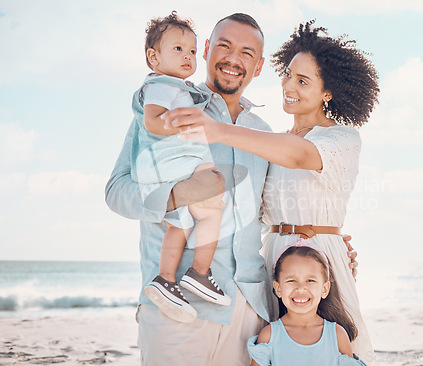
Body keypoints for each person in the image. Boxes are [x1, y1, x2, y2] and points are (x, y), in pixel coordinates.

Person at [106, 14, 357, 365]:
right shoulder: (169, 112)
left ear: (258, 67)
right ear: (206, 50)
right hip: (179, 305)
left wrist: (323, 243)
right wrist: (180, 195)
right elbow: (116, 191)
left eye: (246, 52)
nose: (233, 58)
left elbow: (272, 212)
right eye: (224, 45)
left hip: (250, 309)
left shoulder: (264, 132)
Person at [163, 20, 378, 358]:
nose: (289, 85)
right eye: (289, 74)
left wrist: (217, 130)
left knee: (328, 352)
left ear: (328, 93)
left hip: (320, 262)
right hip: (275, 263)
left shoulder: (342, 138)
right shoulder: (272, 141)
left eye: (303, 81)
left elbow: (300, 156)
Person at [132, 12, 230, 324]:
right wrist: (186, 126)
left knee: (181, 223)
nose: (187, 57)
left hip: (177, 167)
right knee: (213, 212)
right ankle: (199, 273)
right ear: (154, 56)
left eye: (190, 51)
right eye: (177, 50)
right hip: (180, 165)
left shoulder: (175, 86)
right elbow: (152, 121)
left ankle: (165, 278)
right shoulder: (163, 85)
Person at [248, 239, 367, 365]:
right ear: (278, 288)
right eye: (291, 281)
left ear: (325, 289)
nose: (300, 288)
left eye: (310, 280)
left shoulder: (338, 335)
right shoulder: (269, 336)